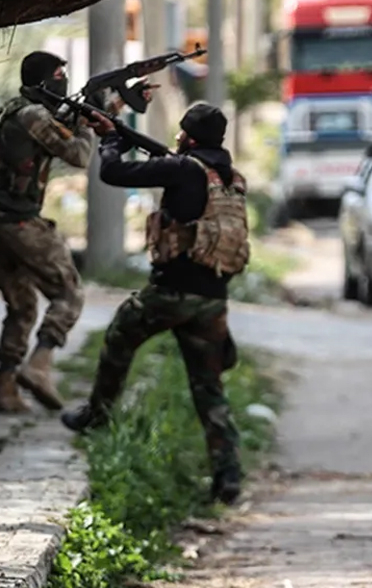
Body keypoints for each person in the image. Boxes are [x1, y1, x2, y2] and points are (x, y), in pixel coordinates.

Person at [60, 101, 251, 506]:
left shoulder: (184, 168)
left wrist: (111, 138)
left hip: (170, 293)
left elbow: (113, 172)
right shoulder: (231, 178)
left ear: (190, 137)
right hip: (213, 300)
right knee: (209, 389)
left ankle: (98, 414)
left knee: (119, 335)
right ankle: (228, 477)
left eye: (181, 132)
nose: (177, 138)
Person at [0, 51, 99, 414]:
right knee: (69, 294)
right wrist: (89, 122)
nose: (64, 80)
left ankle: (5, 390)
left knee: (22, 306)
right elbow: (78, 154)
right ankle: (39, 366)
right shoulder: (33, 115)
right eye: (59, 74)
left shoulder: (15, 109)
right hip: (20, 223)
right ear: (44, 81)